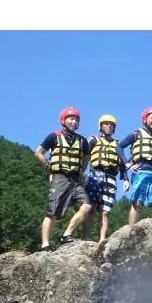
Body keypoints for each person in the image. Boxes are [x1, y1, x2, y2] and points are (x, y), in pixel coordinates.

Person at [34, 107, 93, 251]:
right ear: (63, 120)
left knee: (86, 206)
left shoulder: (82, 141)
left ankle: (67, 234)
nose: (74, 121)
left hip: (75, 179)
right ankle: (45, 245)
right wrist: (49, 167)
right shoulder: (53, 137)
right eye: (71, 118)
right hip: (59, 177)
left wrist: (80, 172)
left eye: (76, 119)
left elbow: (86, 159)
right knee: (52, 212)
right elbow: (38, 153)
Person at [118, 106, 152, 225]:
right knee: (137, 203)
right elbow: (119, 147)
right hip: (141, 171)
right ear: (145, 119)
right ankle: (131, 232)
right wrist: (127, 163)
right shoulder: (136, 134)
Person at [82, 114, 129, 242]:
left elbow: (122, 163)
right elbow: (85, 156)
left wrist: (125, 179)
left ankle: (102, 240)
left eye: (111, 124)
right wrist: (80, 173)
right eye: (106, 124)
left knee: (105, 212)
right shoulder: (93, 140)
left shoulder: (118, 144)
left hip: (111, 177)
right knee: (90, 208)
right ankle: (85, 238)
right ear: (100, 126)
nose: (108, 126)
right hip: (95, 175)